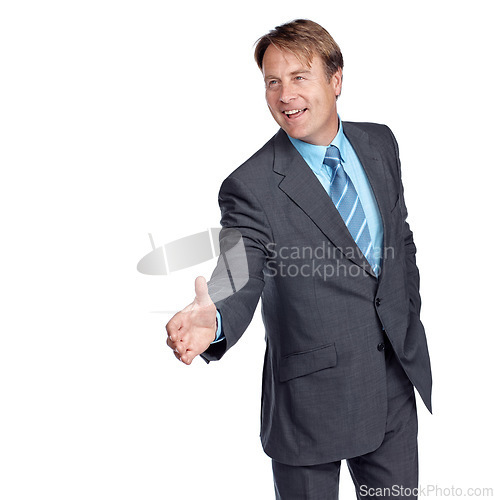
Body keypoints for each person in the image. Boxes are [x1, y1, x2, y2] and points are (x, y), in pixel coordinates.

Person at [166, 19, 432, 500]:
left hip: (392, 387)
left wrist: (407, 310)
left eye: (299, 77)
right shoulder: (250, 186)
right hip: (311, 407)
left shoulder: (380, 144)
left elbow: (400, 237)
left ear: (336, 79)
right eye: (272, 81)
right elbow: (238, 267)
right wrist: (215, 315)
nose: (284, 94)